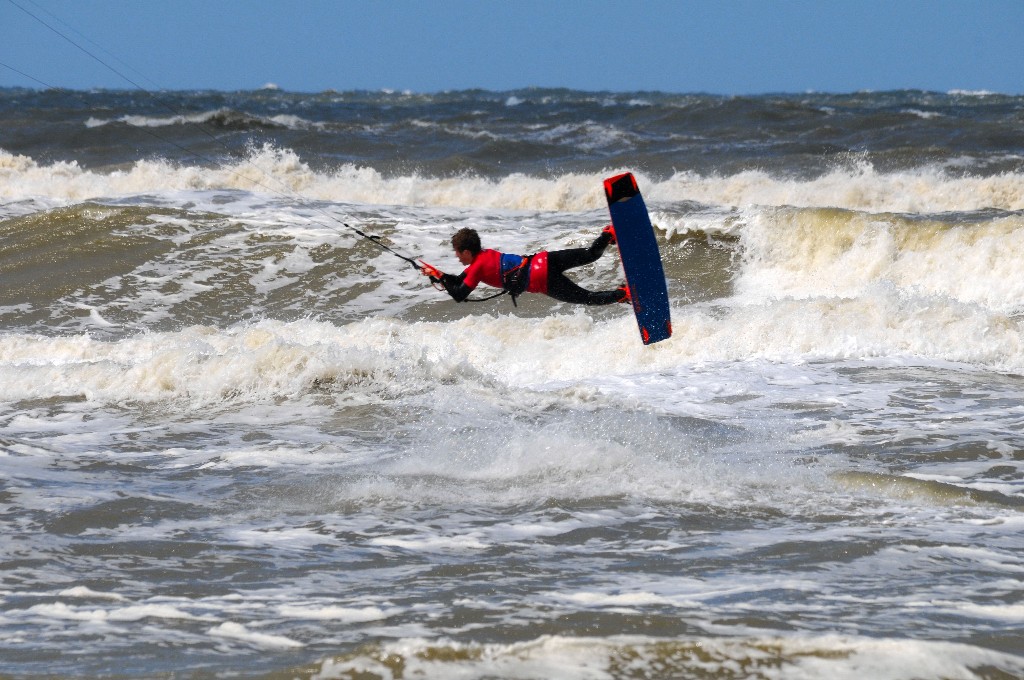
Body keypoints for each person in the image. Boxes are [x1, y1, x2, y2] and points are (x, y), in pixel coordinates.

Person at [421, 226, 630, 305]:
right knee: (589, 254)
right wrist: (437, 274)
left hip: (542, 279)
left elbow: (459, 293)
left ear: (466, 252)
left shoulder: (476, 268)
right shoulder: (483, 256)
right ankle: (608, 234)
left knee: (587, 298)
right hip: (543, 260)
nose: (457, 258)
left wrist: (439, 277)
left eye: (458, 253)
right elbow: (458, 281)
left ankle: (623, 294)